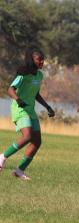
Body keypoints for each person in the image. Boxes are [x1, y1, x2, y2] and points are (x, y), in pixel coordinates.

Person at [0, 48, 55, 180]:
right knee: (28, 136)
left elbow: (36, 94)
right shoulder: (23, 73)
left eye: (43, 59)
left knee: (37, 142)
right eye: (39, 59)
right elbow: (10, 89)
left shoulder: (39, 75)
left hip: (30, 109)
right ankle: (2, 157)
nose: (42, 62)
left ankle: (19, 171)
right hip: (19, 108)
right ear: (32, 60)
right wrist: (18, 100)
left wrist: (47, 107)